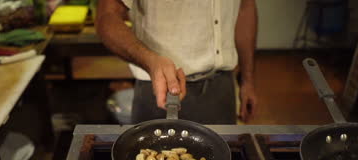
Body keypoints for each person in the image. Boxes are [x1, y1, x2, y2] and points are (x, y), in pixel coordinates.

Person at [96, 0, 258, 124]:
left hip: (222, 89)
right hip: (158, 91)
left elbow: (245, 8)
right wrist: (150, 61)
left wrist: (247, 80)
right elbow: (107, 16)